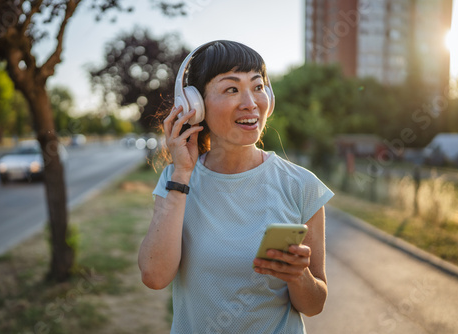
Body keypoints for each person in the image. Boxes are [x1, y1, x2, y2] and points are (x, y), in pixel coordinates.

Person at [138, 40, 334, 333]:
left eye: (258, 87)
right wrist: (181, 173)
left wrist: (298, 276)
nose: (250, 103)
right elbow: (154, 276)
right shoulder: (175, 180)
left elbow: (315, 304)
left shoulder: (301, 185)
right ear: (196, 104)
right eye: (231, 89)